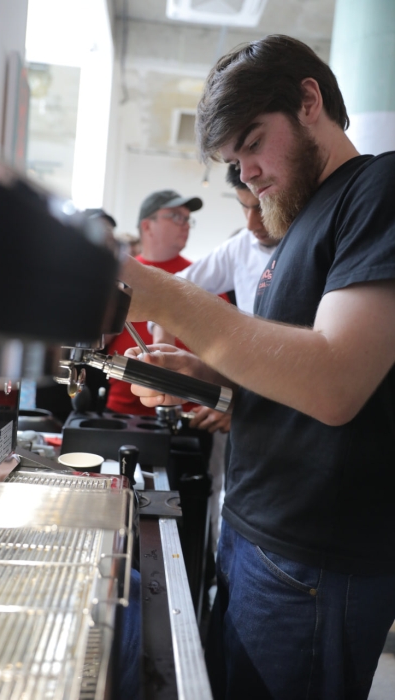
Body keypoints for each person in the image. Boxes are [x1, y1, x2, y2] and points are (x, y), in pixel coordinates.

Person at [119, 34, 395, 700]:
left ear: (309, 101)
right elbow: (290, 378)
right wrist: (206, 376)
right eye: (232, 161)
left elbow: (335, 382)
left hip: (313, 557)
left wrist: (165, 295)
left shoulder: (377, 191)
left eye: (252, 144)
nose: (247, 175)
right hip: (255, 530)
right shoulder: (296, 223)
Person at [153, 165, 278, 547]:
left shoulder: (312, 246)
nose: (252, 223)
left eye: (261, 207)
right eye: (243, 207)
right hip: (249, 430)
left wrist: (243, 401)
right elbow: (172, 294)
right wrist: (162, 357)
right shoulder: (241, 247)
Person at [105, 189, 202, 416]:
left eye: (187, 219)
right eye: (176, 216)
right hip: (122, 410)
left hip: (189, 413)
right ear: (147, 226)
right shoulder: (121, 274)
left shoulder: (203, 275)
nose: (186, 225)